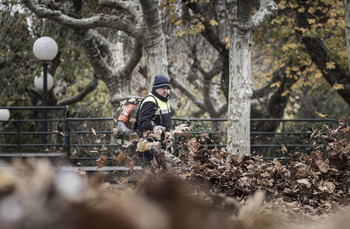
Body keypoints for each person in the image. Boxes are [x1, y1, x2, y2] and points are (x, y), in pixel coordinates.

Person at [137, 74, 172, 166]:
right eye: (162, 88)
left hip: (161, 145)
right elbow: (142, 122)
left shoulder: (164, 100)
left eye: (167, 88)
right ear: (156, 88)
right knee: (152, 177)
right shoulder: (150, 101)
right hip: (150, 147)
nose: (165, 90)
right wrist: (155, 127)